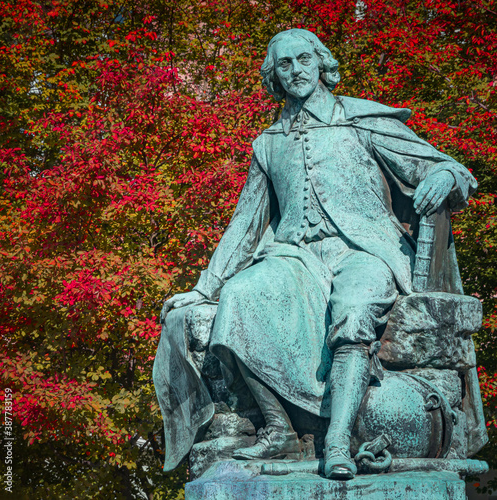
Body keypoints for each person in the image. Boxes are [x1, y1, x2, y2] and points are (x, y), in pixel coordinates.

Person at [158, 29, 483, 479]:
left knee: (352, 310)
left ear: (321, 62)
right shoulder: (268, 142)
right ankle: (278, 429)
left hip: (363, 251)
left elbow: (449, 168)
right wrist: (203, 288)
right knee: (238, 297)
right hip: (295, 255)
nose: (296, 71)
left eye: (303, 59)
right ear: (274, 76)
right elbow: (245, 225)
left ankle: (337, 442)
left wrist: (445, 178)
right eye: (284, 65)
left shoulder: (362, 120)